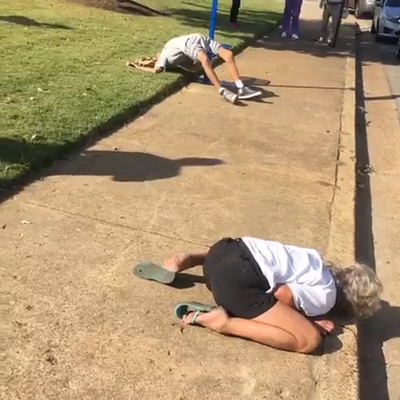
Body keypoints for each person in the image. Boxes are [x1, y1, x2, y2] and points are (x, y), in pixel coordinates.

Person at [134, 237, 383, 353]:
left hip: (222, 250)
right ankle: (224, 322)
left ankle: (186, 259)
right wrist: (308, 321)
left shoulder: (313, 259)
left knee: (245, 263)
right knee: (309, 341)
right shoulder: (327, 295)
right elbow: (283, 295)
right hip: (232, 283)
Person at [149, 34, 262, 104]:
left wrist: (152, 65)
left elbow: (157, 69)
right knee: (228, 54)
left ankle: (225, 90)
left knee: (206, 60)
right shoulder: (174, 60)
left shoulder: (164, 55)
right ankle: (238, 88)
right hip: (198, 38)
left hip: (190, 43)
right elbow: (194, 67)